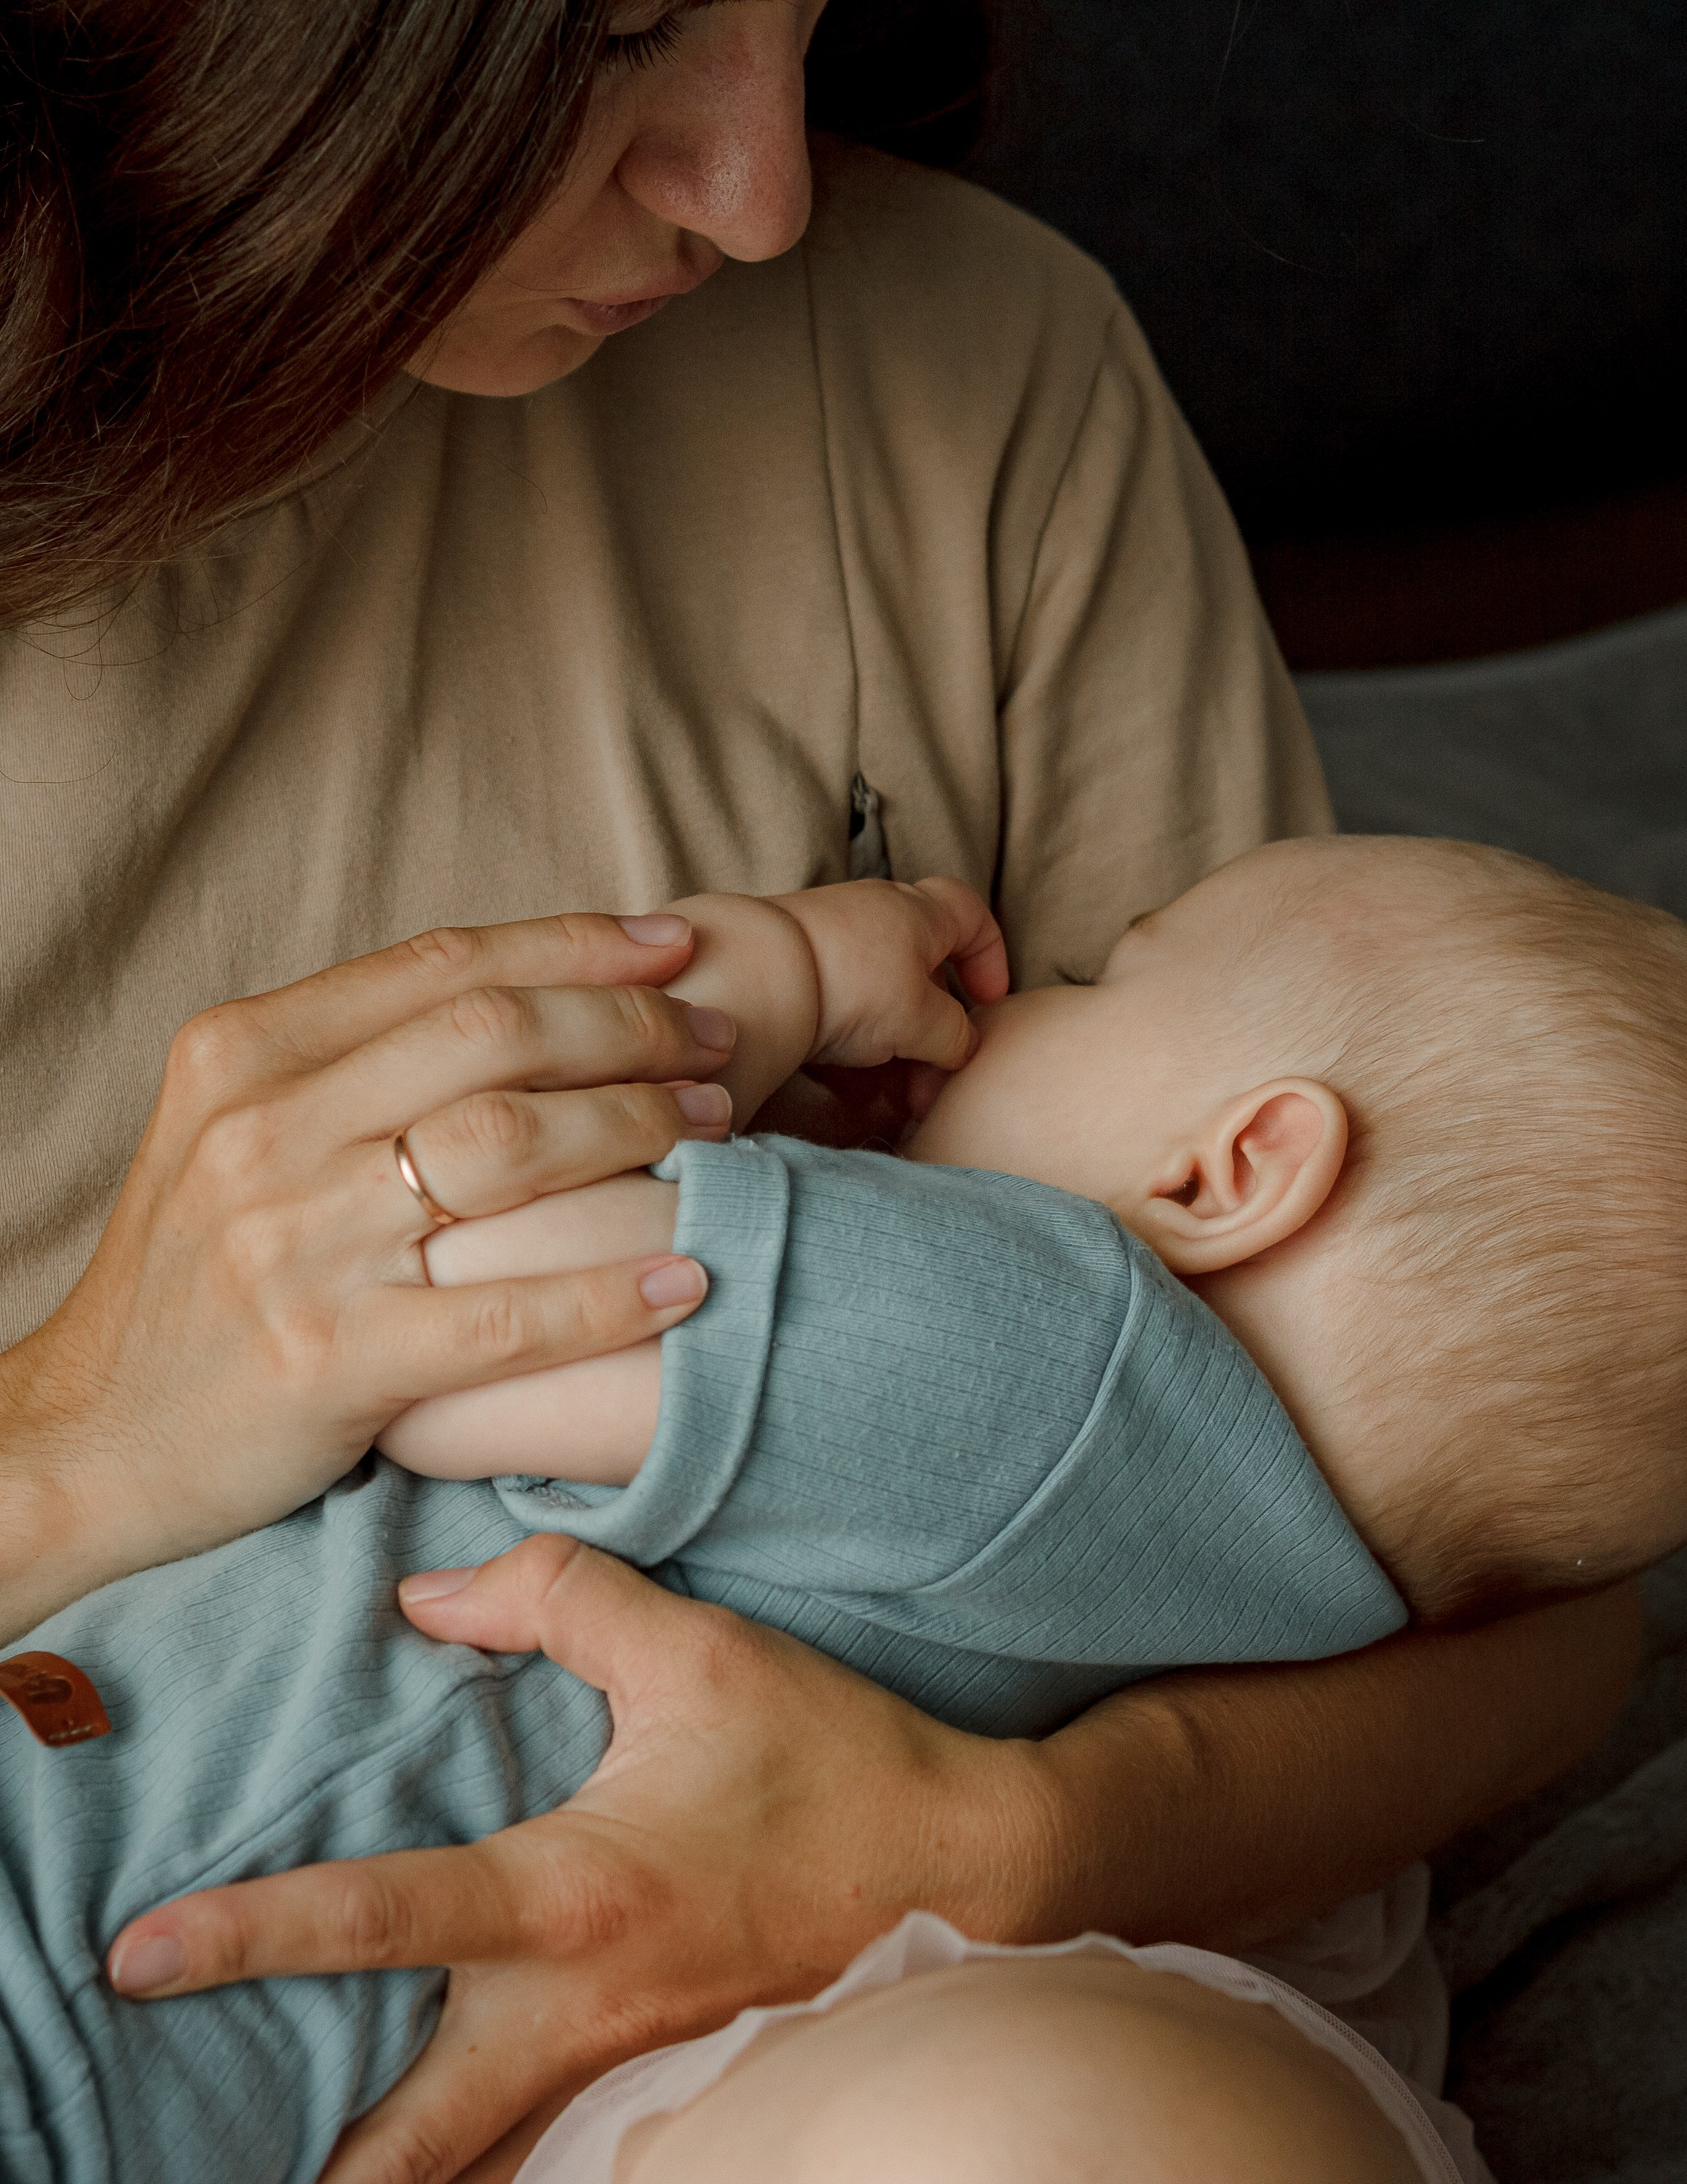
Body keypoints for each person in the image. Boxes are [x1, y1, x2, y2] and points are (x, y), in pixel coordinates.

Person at [0, 2, 1637, 2179]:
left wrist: (1005, 1839)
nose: (757, 197)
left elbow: (1511, 1555)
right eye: (614, 32)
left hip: (870, 2040)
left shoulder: (963, 361)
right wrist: (81, 1441)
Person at [9, 833, 1678, 2180]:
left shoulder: (1056, 1347)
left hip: (80, 1939)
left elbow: (435, 1315)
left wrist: (757, 998)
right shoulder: (1299, 1593)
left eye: (1095, 976)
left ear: (1226, 1174)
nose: (1009, 1003)